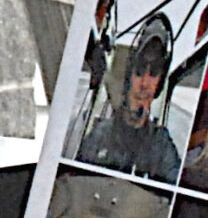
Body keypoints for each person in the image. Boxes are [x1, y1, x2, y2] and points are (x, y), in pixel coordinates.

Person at [74, 27, 181, 182]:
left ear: (160, 83)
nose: (144, 83)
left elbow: (176, 180)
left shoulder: (162, 145)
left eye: (153, 73)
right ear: (129, 78)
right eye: (139, 71)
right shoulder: (100, 135)